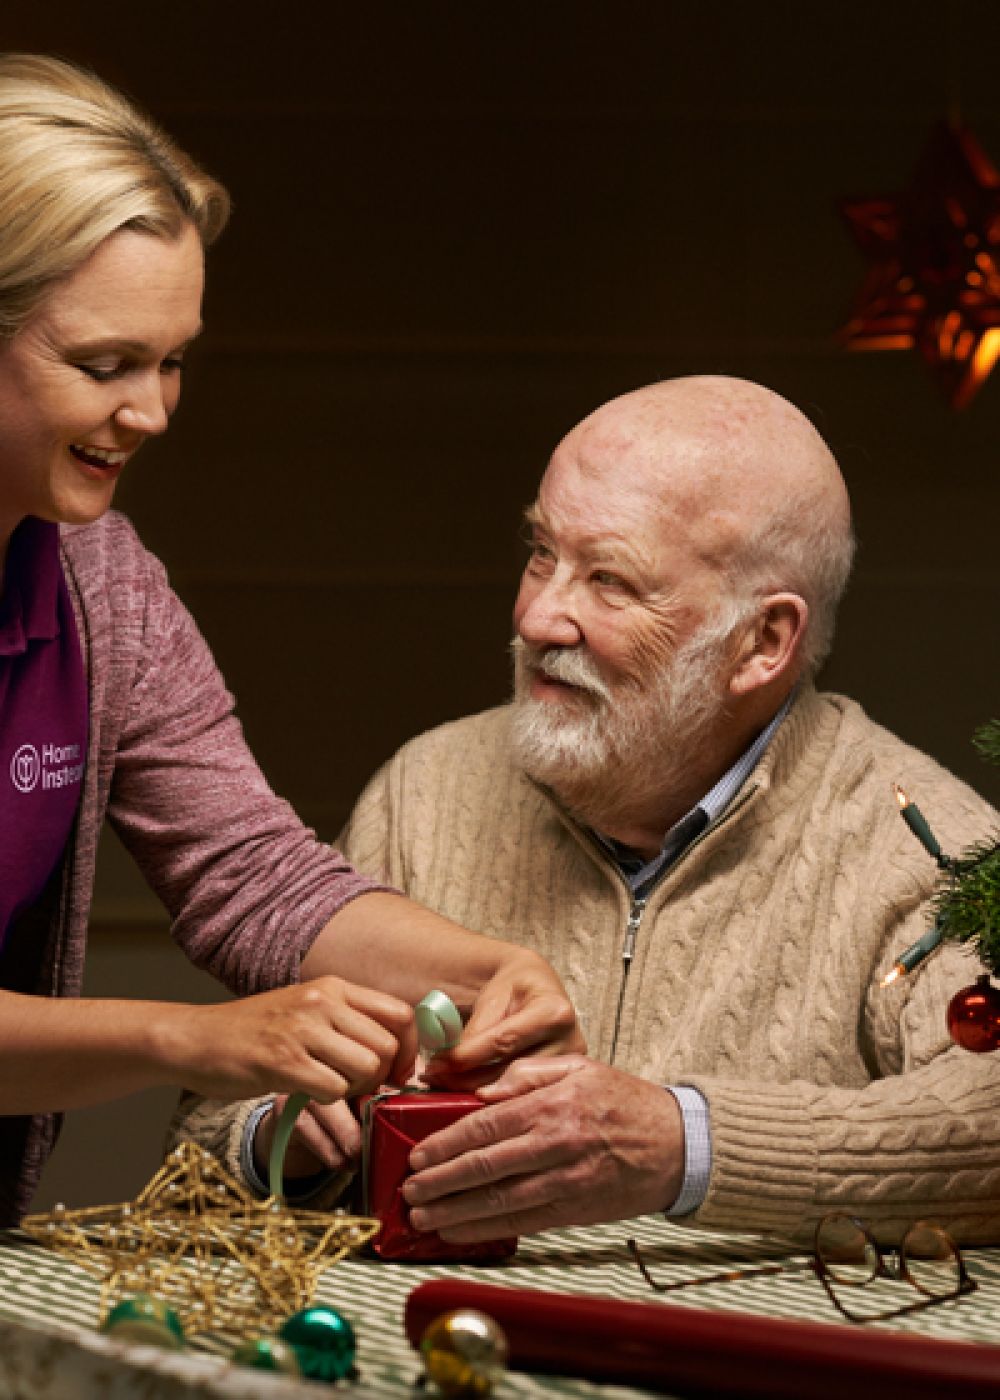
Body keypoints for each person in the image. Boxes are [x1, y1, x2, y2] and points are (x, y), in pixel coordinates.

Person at [183, 374, 1000, 1247]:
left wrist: (681, 1145)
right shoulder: (425, 790)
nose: (537, 615)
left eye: (609, 579)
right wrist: (279, 1139)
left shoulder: (932, 847)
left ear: (763, 642)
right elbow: (198, 1138)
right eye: (542, 552)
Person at [0, 53, 582, 1228]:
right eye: (104, 364)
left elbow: (248, 870)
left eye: (172, 361)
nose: (153, 411)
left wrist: (473, 970)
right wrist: (190, 1035)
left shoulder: (101, 582)